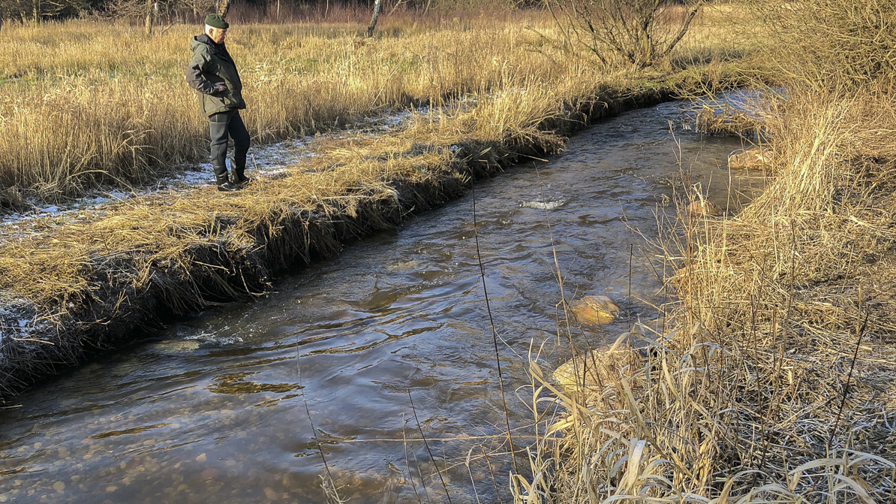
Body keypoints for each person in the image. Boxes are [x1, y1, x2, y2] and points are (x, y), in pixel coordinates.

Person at [185, 14, 251, 192]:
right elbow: (191, 75)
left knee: (243, 139)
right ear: (211, 30)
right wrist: (212, 88)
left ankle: (238, 176)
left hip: (229, 102)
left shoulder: (217, 47)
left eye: (225, 33)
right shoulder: (204, 49)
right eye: (222, 33)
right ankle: (222, 182)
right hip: (217, 104)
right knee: (219, 143)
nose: (225, 36)